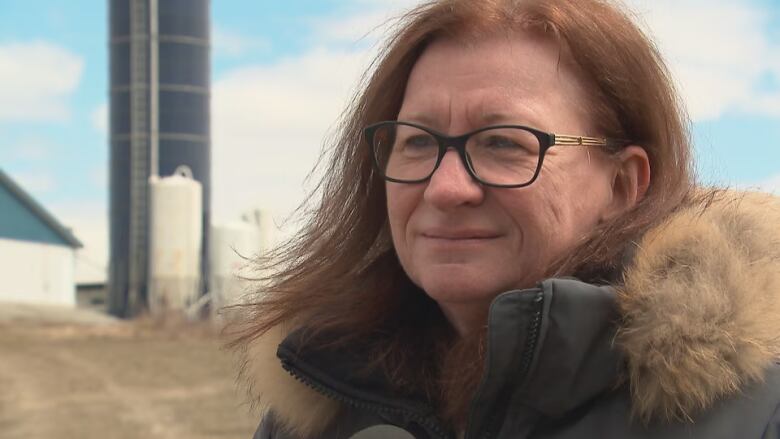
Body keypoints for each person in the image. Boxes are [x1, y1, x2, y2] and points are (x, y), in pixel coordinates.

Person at [226, 0, 780, 437]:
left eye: (503, 143)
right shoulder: (326, 394)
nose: (445, 188)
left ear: (623, 185)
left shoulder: (753, 412)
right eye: (417, 142)